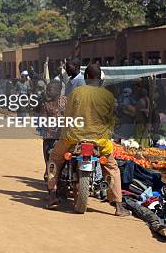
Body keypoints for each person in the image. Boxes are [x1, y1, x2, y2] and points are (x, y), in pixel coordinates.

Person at [46, 63, 130, 216]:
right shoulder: (108, 96)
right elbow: (110, 120)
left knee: (54, 159)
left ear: (86, 78)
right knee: (112, 169)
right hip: (100, 141)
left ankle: (52, 195)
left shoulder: (76, 92)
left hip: (73, 138)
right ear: (100, 79)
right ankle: (118, 206)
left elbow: (68, 115)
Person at [39, 81, 66, 180]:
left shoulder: (66, 101)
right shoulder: (46, 104)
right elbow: (43, 118)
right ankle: (48, 169)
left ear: (58, 91)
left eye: (50, 89)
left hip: (64, 135)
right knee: (48, 154)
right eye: (47, 89)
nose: (48, 91)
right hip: (50, 135)